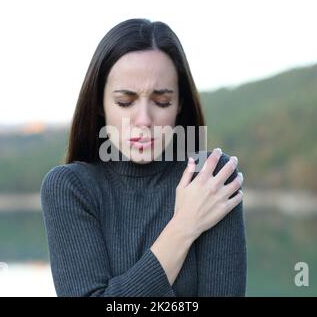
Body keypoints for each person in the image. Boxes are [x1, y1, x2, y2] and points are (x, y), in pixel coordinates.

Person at [40, 18, 246, 297]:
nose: (144, 120)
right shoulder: (70, 188)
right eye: (125, 102)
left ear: (180, 103)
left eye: (162, 102)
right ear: (100, 103)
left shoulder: (209, 178)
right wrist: (184, 226)